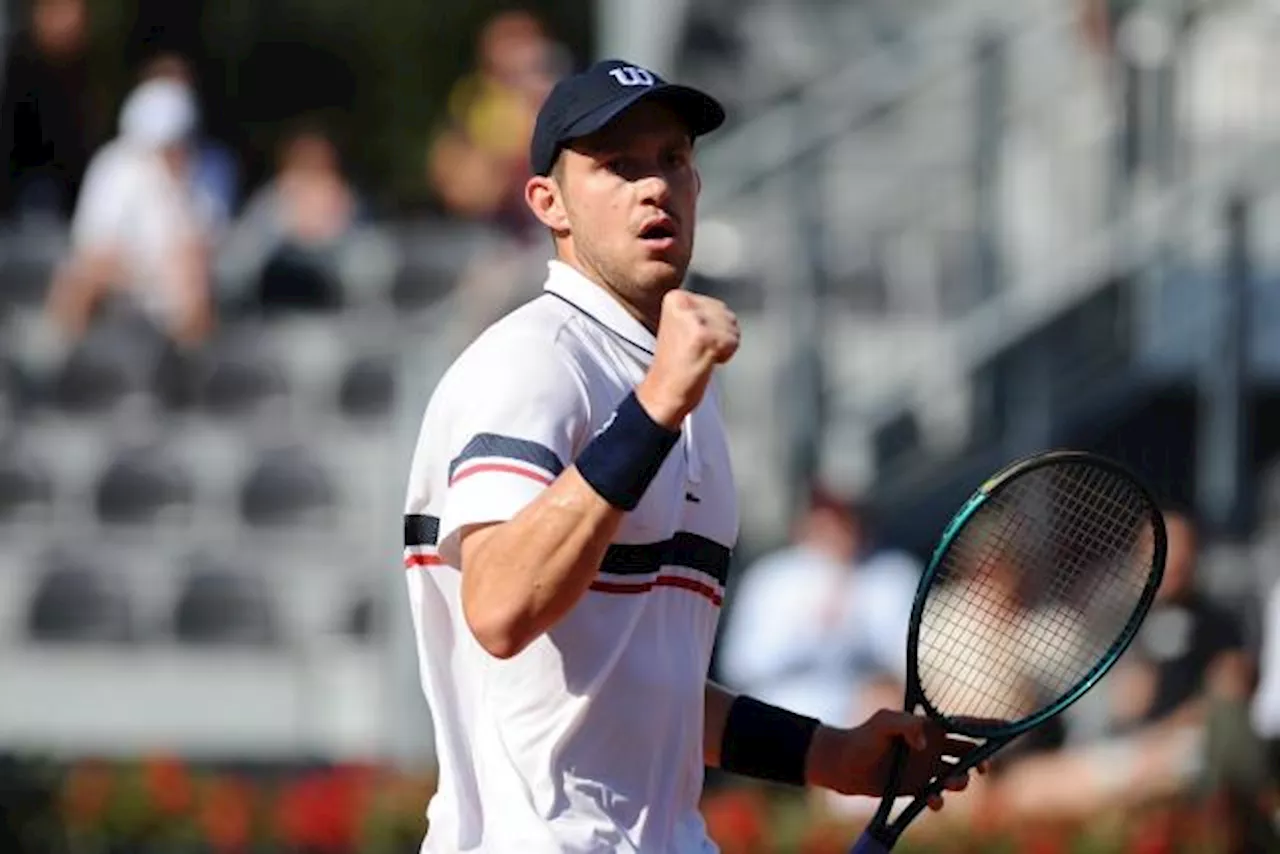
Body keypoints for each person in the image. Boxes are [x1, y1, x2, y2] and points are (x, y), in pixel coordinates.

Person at [400, 59, 981, 853]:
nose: (654, 186)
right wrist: (654, 407)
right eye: (617, 166)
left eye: (672, 159)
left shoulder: (674, 384)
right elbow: (499, 607)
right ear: (548, 203)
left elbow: (647, 682)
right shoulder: (536, 362)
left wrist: (828, 754)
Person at [716, 485, 920, 729]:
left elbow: (908, 663)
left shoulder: (893, 572)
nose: (833, 526)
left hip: (860, 729)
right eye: (824, 514)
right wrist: (810, 631)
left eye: (843, 515)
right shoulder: (770, 578)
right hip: (776, 732)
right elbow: (738, 666)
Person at [45, 76, 217, 348]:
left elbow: (198, 253)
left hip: (172, 288)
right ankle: (59, 369)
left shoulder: (210, 172)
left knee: (193, 288)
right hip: (125, 280)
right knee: (76, 284)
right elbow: (95, 252)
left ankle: (195, 378)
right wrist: (142, 276)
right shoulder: (114, 166)